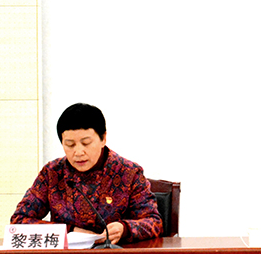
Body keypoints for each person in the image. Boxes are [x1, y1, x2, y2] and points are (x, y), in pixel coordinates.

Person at [11, 103, 163, 244]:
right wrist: (69, 231)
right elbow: (19, 221)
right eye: (70, 145)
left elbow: (154, 222)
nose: (78, 152)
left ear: (103, 139)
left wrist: (124, 229)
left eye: (86, 143)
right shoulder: (52, 173)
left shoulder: (129, 173)